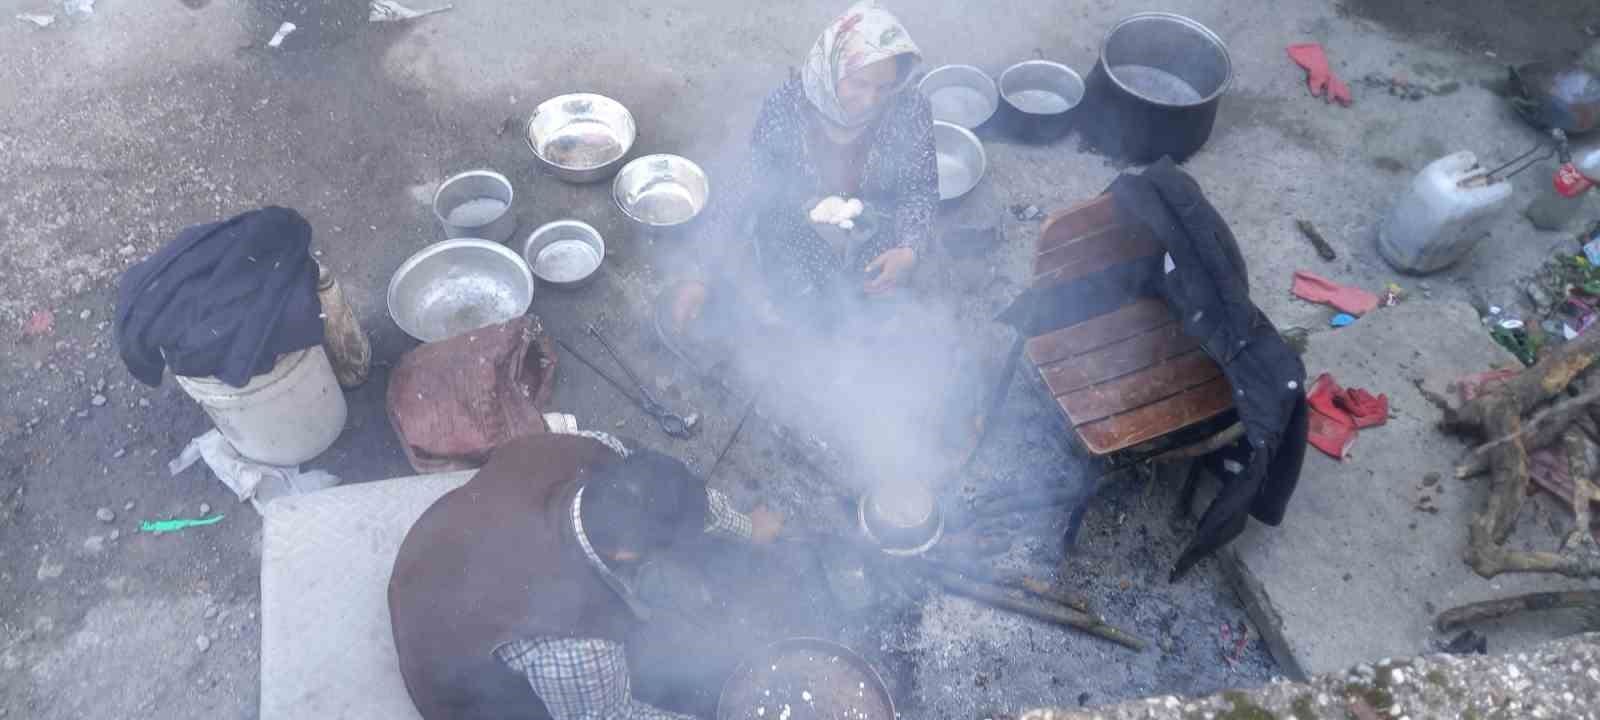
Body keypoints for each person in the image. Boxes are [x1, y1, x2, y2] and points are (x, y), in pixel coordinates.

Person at [388, 429, 783, 720]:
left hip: (433, 551)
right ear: (626, 553)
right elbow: (612, 717)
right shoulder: (582, 646)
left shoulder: (584, 449)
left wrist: (746, 527)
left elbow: (675, 496)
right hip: (442, 662)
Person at [671, 1, 938, 333]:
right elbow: (746, 184)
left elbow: (919, 188)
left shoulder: (909, 109)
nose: (871, 100)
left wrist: (909, 249)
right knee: (796, 313)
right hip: (795, 234)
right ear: (833, 67)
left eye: (884, 88)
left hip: (873, 239)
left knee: (874, 318)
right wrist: (700, 272)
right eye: (859, 83)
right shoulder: (787, 106)